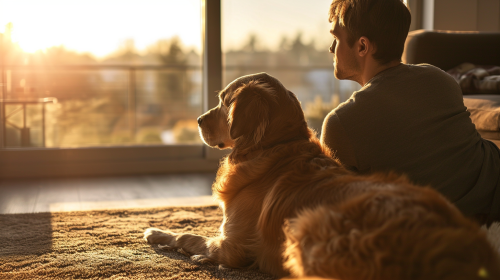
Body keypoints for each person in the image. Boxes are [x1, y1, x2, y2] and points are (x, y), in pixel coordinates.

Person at [320, 0, 500, 223]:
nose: (331, 48)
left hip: (437, 236)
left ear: (362, 46)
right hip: (491, 199)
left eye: (336, 38)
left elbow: (332, 212)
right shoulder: (440, 78)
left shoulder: (340, 124)